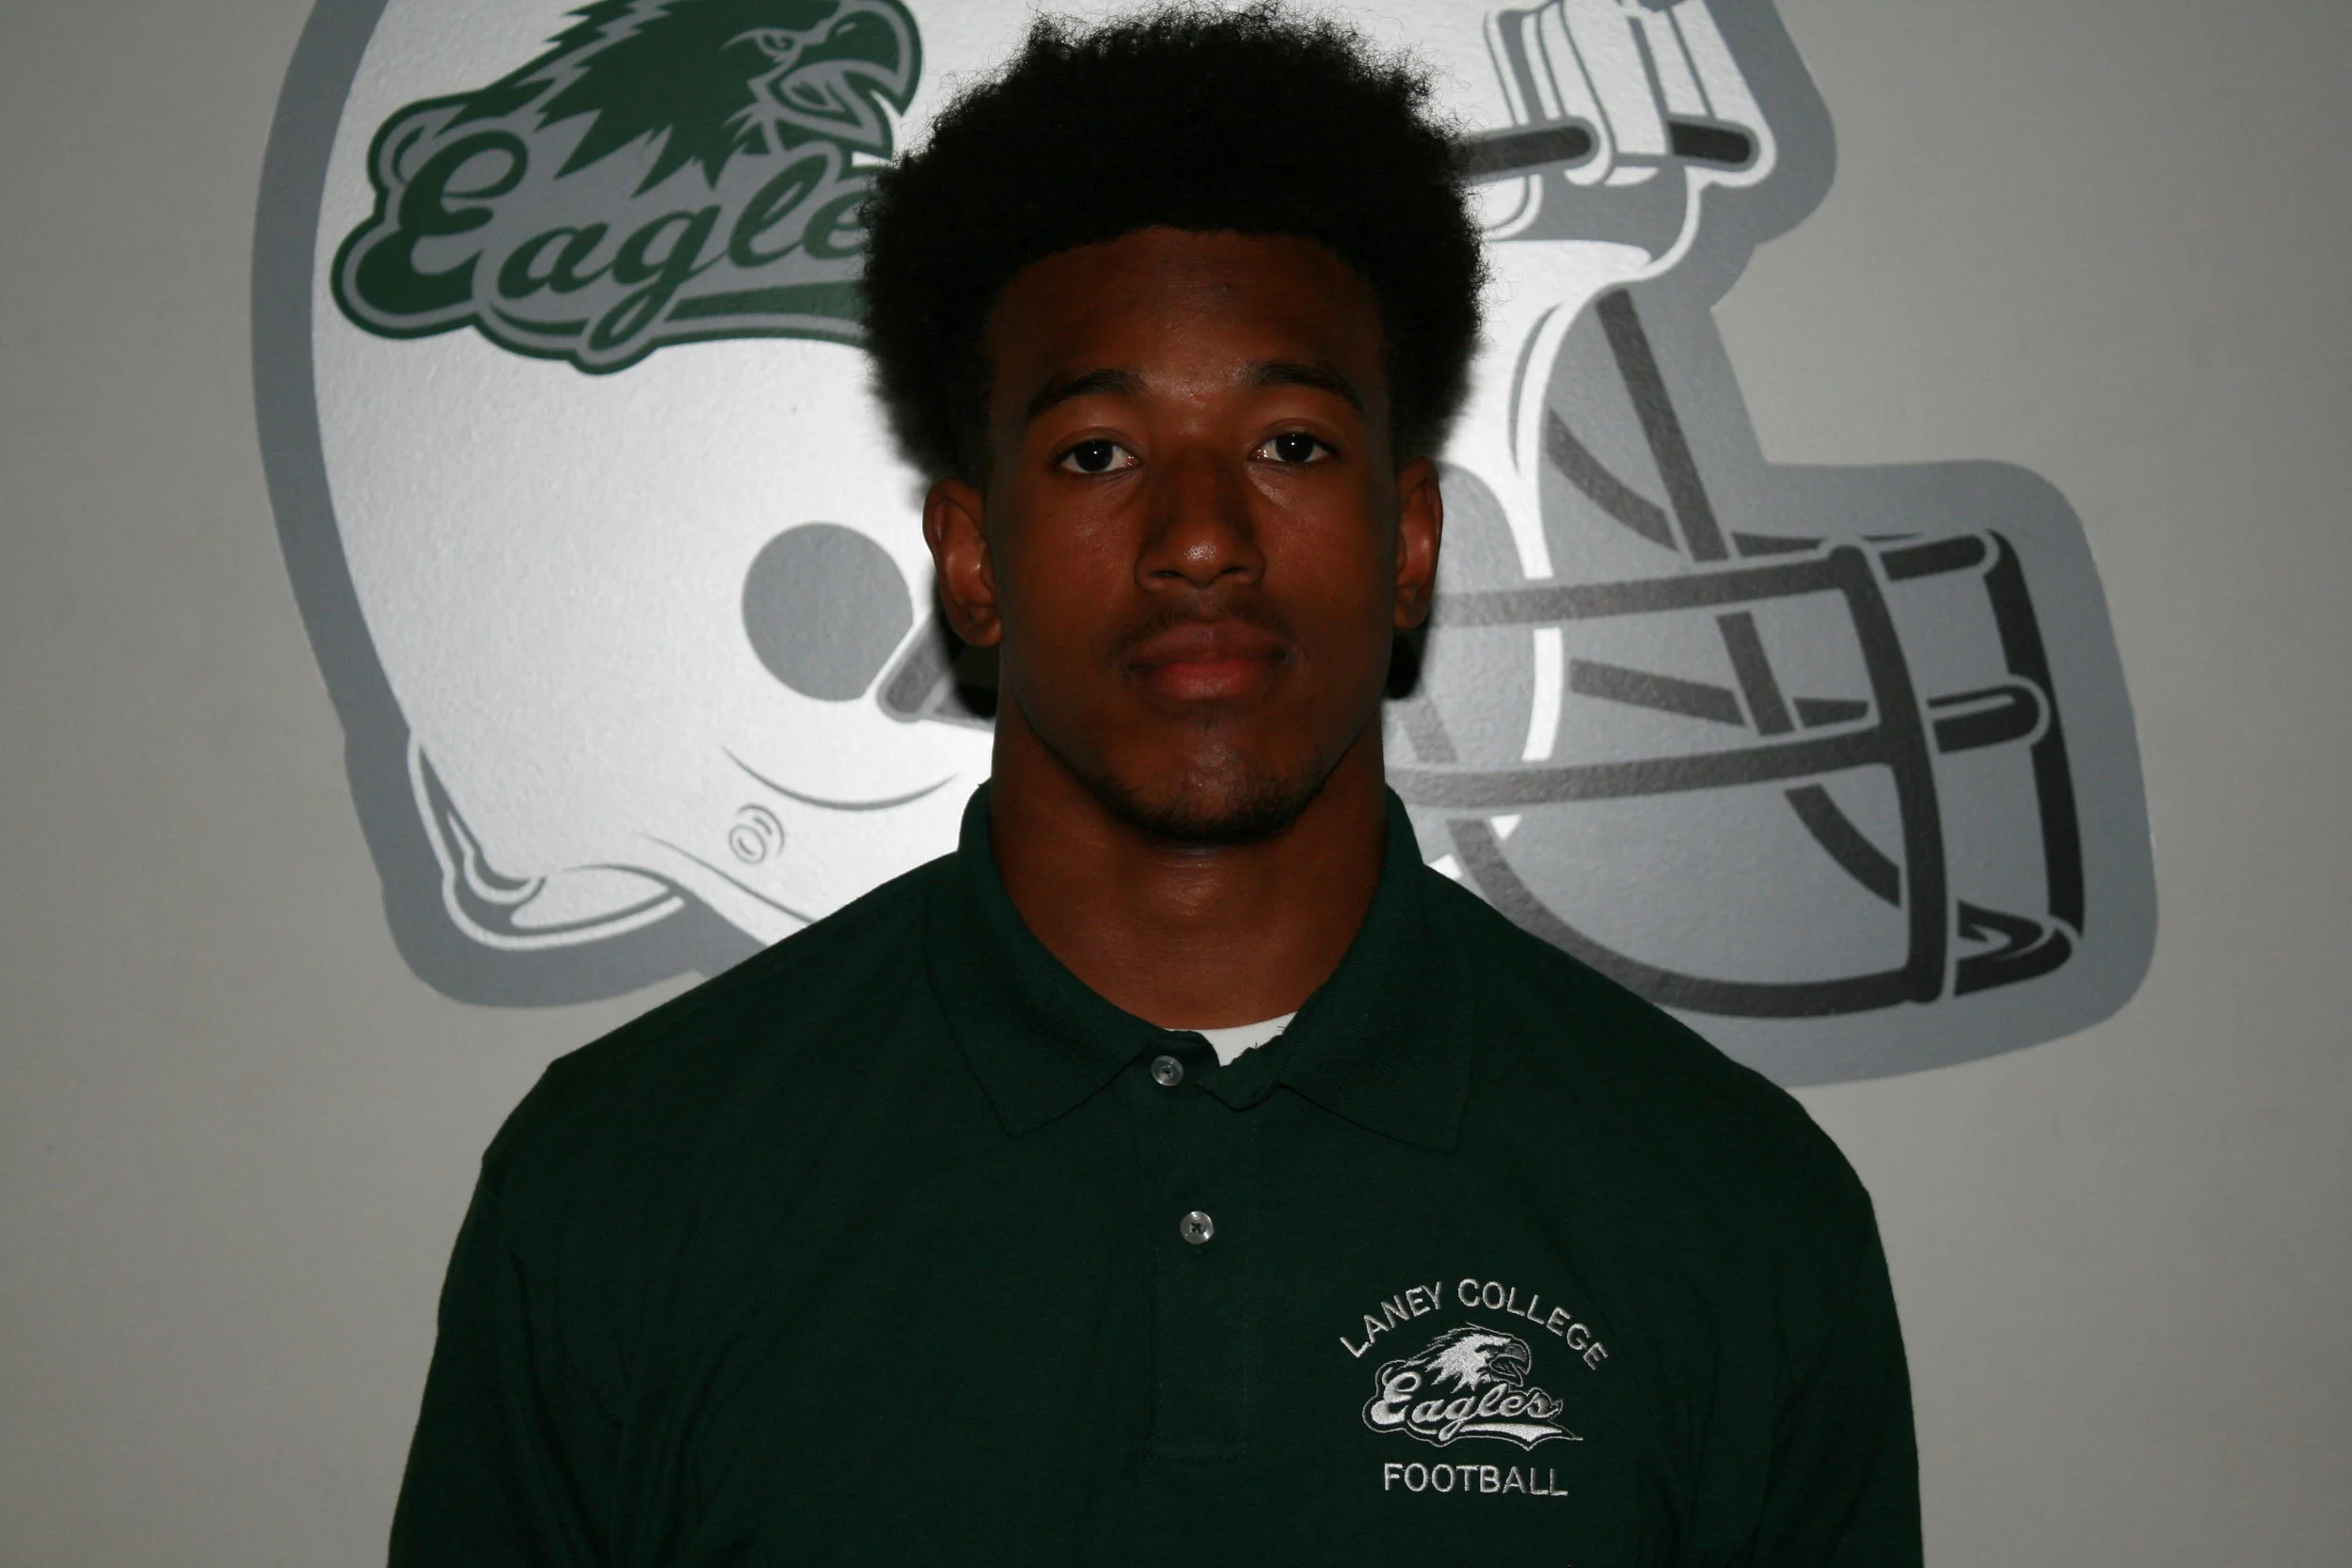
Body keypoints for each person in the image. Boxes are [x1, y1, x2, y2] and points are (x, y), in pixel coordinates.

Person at [388, 7, 1921, 1562]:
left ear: (1410, 544)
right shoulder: (631, 1181)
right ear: (972, 561)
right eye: (1098, 452)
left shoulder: (1728, 1206)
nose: (1201, 538)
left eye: (1292, 445)